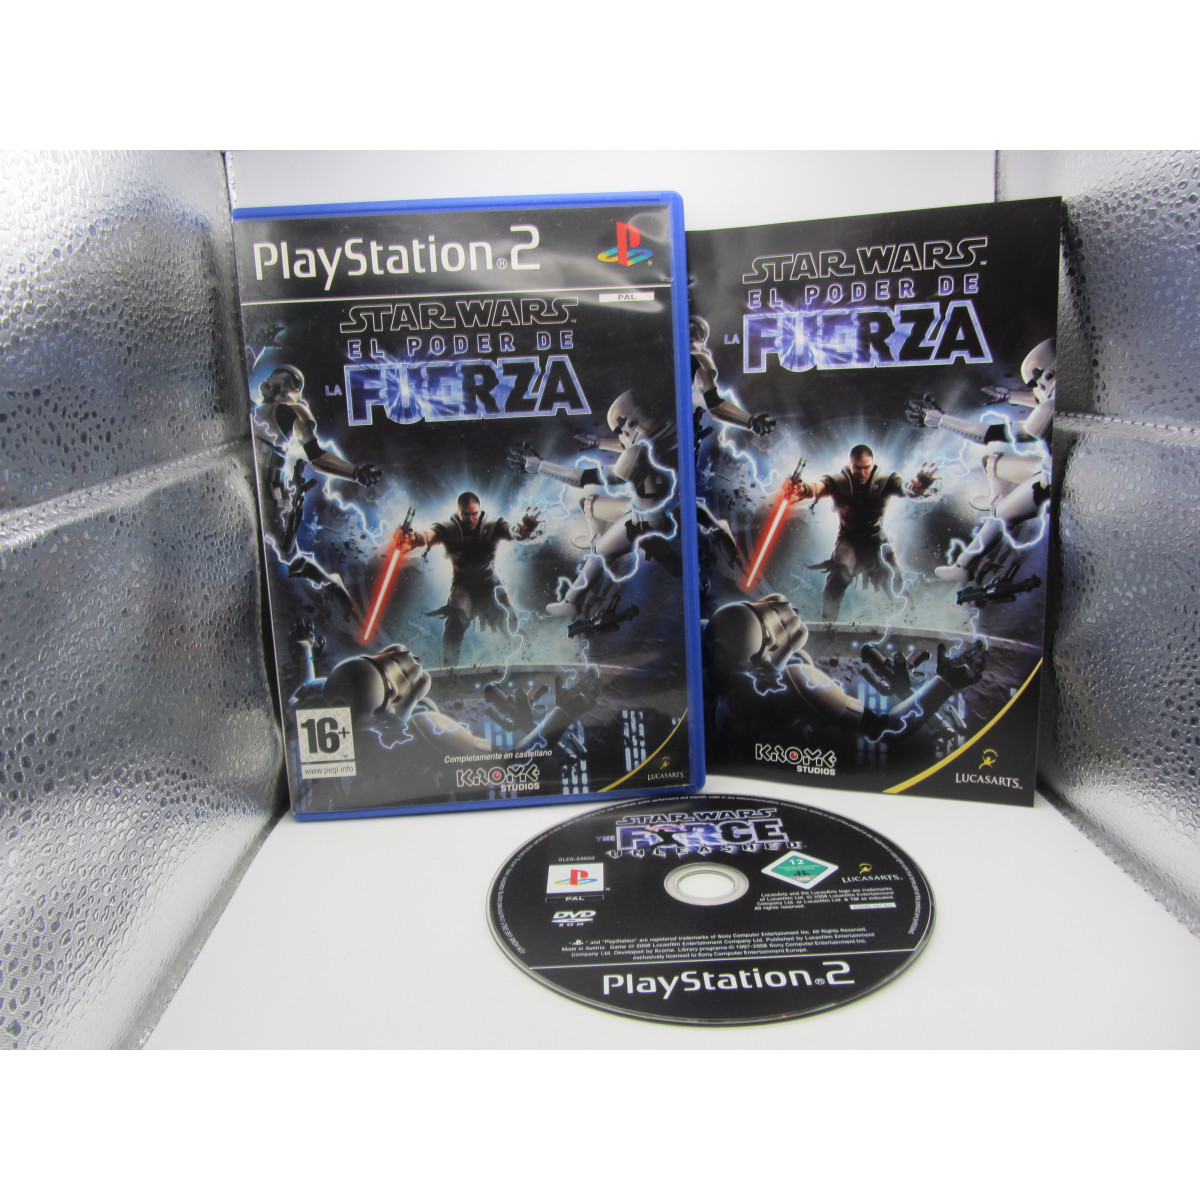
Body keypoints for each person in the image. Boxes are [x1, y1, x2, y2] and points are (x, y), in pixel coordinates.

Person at [785, 445, 936, 620]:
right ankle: (828, 625)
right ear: (851, 465)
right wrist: (801, 488)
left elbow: (906, 488)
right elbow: (818, 487)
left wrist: (918, 486)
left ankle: (911, 620)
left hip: (876, 537)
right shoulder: (839, 481)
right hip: (849, 539)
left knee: (894, 581)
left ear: (872, 465)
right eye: (858, 468)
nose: (862, 473)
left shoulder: (885, 480)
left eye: (866, 468)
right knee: (837, 579)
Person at [401, 492, 540, 666]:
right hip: (463, 585)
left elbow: (514, 532)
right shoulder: (449, 528)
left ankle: (528, 656)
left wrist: (524, 529)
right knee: (455, 621)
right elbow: (428, 535)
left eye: (474, 514)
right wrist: (413, 538)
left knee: (509, 620)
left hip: (489, 583)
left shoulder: (493, 525)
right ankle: (450, 668)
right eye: (466, 514)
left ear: (479, 511)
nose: (470, 519)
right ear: (458, 512)